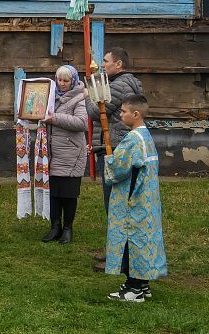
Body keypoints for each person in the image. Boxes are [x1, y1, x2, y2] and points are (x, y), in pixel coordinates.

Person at [85, 47, 143, 269]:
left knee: (115, 203)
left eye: (106, 61)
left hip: (114, 149)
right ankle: (115, 249)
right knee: (115, 201)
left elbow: (96, 112)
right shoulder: (126, 83)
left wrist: (87, 95)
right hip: (116, 147)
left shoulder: (119, 85)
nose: (103, 64)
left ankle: (119, 255)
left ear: (118, 64)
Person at [105, 95, 167, 302]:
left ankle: (134, 288)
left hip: (132, 199)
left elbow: (119, 168)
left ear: (136, 114)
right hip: (146, 198)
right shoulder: (145, 135)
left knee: (131, 240)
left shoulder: (132, 138)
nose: (120, 114)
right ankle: (142, 283)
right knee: (143, 240)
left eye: (124, 111)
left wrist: (108, 159)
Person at [40, 65, 87, 245]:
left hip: (71, 154)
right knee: (54, 194)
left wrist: (54, 118)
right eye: (59, 80)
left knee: (68, 194)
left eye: (66, 80)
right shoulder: (51, 96)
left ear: (73, 81)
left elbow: (81, 122)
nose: (62, 83)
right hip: (53, 153)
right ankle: (55, 227)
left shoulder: (80, 97)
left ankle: (67, 228)